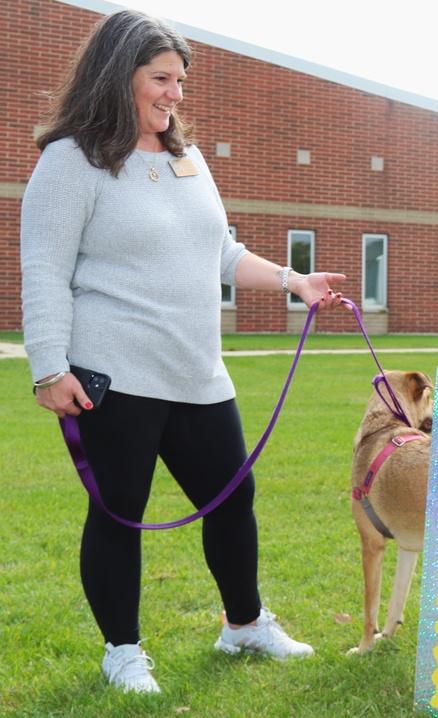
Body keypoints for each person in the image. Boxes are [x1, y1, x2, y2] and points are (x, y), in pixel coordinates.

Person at [20, 9, 346, 694]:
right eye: (161, 79)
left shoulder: (186, 159)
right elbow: (43, 269)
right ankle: (123, 653)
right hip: (114, 374)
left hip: (197, 370)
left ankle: (244, 625)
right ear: (119, 77)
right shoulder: (71, 161)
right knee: (120, 512)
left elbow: (219, 251)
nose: (175, 94)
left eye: (181, 81)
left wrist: (293, 280)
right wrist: (49, 367)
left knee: (233, 497)